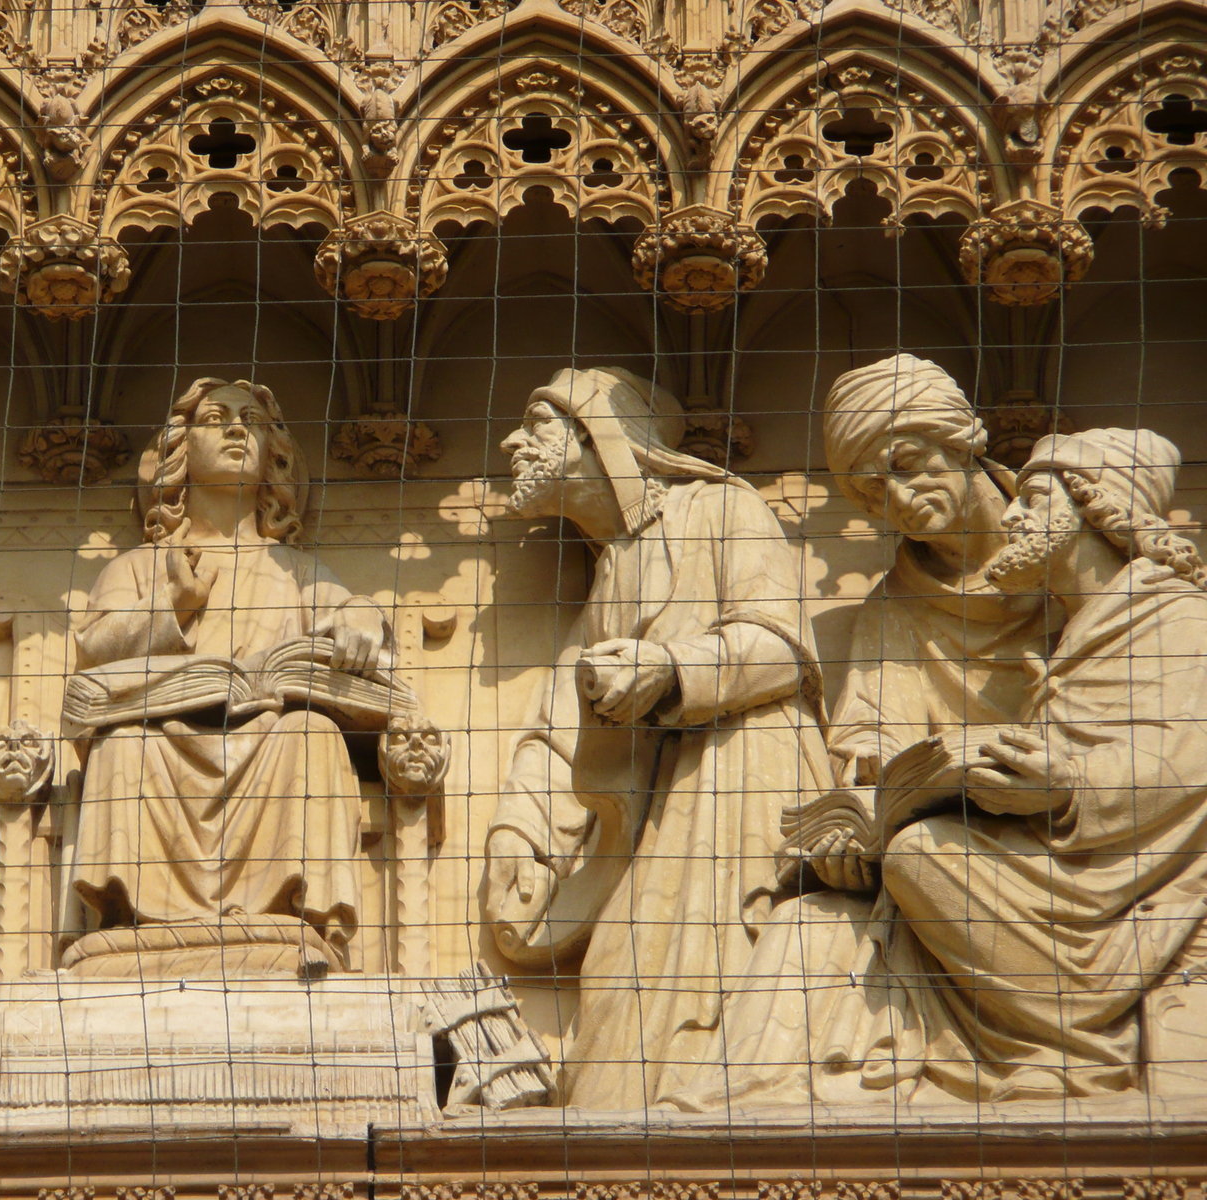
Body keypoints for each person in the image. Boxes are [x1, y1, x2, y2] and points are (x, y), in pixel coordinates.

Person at [676, 427, 1207, 1107]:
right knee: (813, 918)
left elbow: (1183, 768)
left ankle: (1078, 1052)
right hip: (1050, 861)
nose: (1014, 510)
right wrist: (863, 822)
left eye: (1037, 497)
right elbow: (873, 747)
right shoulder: (1078, 626)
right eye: (873, 490)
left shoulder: (1171, 619)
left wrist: (1063, 789)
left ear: (1098, 508)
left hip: (1115, 873)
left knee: (923, 856)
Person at [483, 366, 833, 1107]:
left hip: (739, 777)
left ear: (600, 437)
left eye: (538, 422)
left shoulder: (720, 511)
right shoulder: (611, 572)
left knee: (709, 999)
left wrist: (672, 671)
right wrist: (518, 835)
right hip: (657, 822)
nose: (513, 442)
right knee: (619, 1010)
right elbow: (555, 733)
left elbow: (784, 646)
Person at [66, 378, 387, 967]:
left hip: (267, 744)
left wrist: (362, 615)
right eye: (216, 418)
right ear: (179, 450)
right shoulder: (141, 567)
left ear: (275, 458)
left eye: (252, 421)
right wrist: (173, 606)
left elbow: (357, 628)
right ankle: (131, 920)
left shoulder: (296, 571)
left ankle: (294, 918)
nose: (237, 428)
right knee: (122, 746)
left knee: (312, 735)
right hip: (164, 743)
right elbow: (92, 657)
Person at [820, 353, 1058, 790]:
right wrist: (868, 764)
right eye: (874, 489)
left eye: (906, 465)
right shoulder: (898, 604)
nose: (901, 498)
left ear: (957, 442)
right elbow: (872, 723)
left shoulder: (1066, 534)